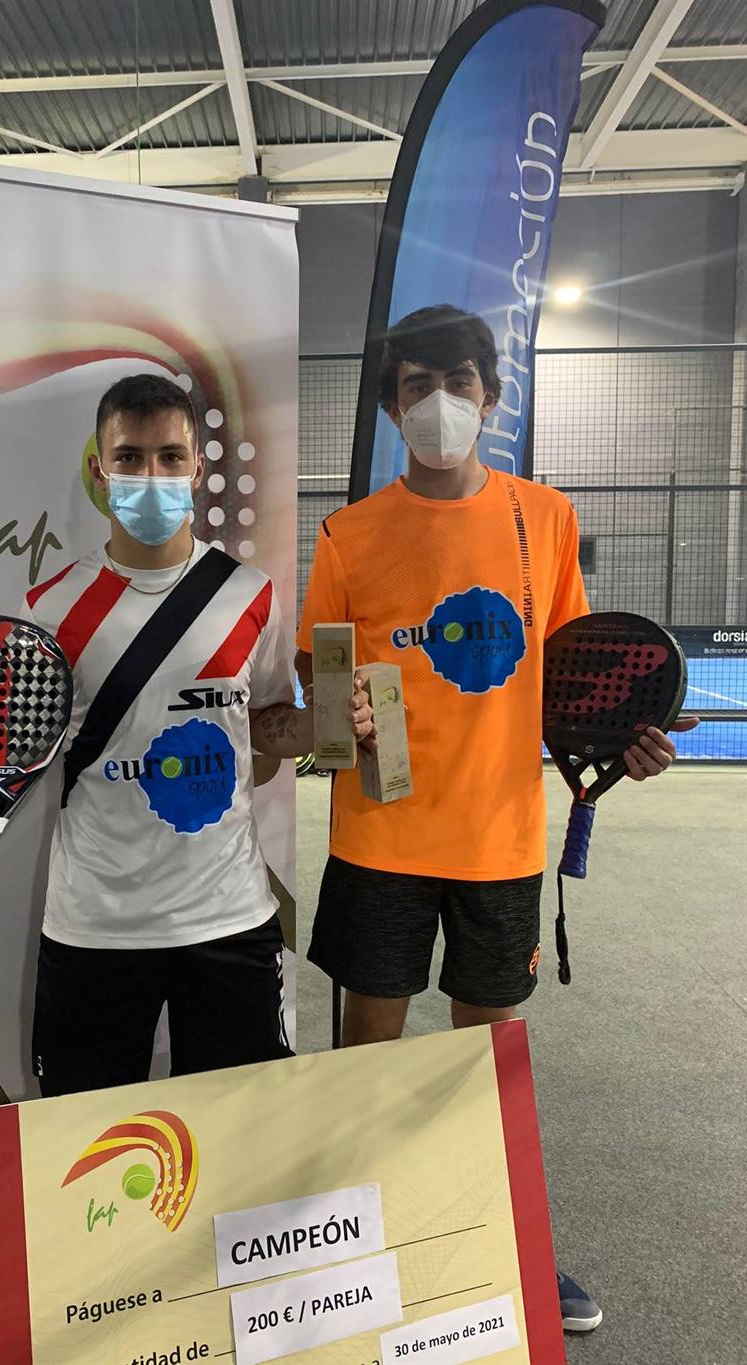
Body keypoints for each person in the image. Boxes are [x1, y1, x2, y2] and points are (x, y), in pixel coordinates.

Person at [295, 304, 697, 1333]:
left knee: (485, 1061)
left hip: (501, 839)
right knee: (371, 1051)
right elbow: (320, 678)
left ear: (492, 396)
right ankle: (354, 1245)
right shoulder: (346, 534)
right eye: (416, 386)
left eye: (458, 383)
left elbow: (581, 677)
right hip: (379, 836)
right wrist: (331, 712)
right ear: (392, 410)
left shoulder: (545, 517)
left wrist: (628, 740)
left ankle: (505, 1242)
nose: (439, 403)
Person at [0, 372, 372, 1097]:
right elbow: (3, 747)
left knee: (239, 1141)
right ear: (99, 469)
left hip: (231, 918)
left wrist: (330, 723)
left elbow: (266, 724)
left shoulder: (251, 594)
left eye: (171, 457)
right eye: (131, 457)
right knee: (87, 1146)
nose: (152, 475)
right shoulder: (48, 608)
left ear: (198, 469)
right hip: (94, 925)